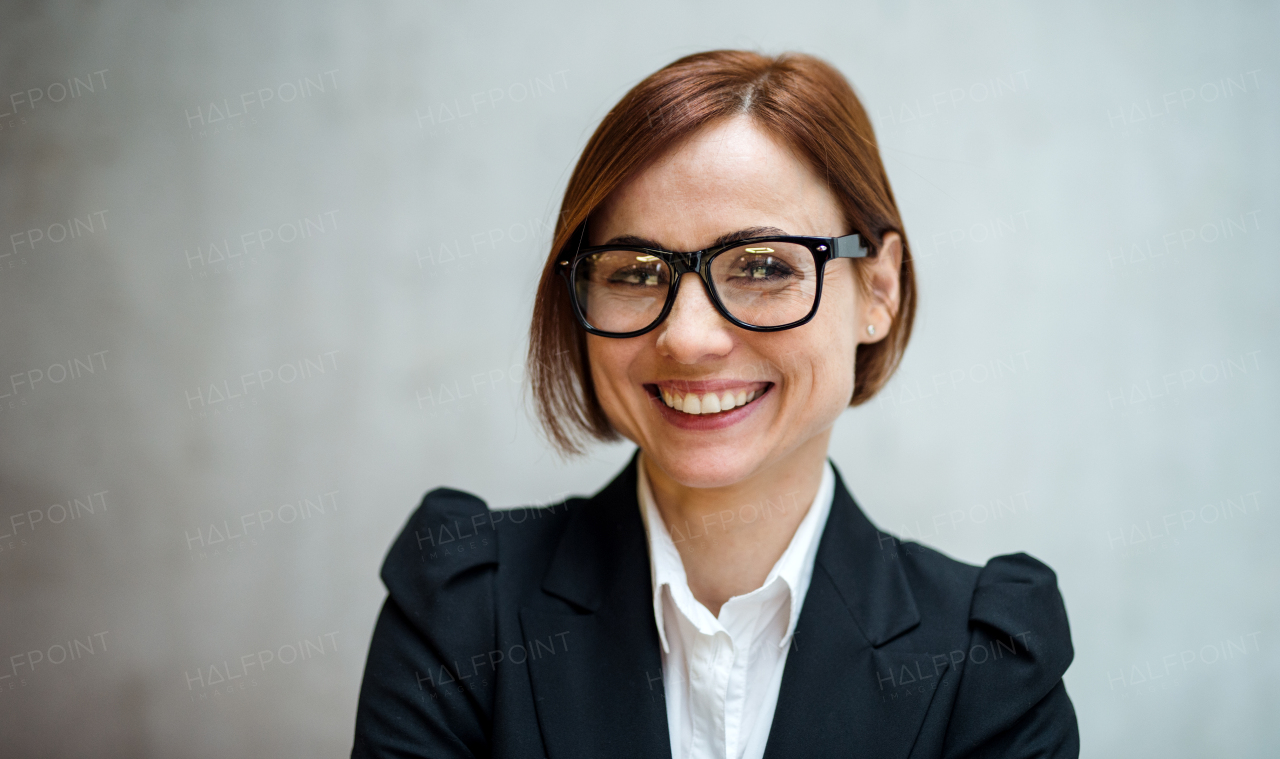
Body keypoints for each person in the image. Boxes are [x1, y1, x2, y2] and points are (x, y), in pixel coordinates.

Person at [352, 50, 1078, 759]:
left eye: (762, 266)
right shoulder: (460, 616)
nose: (688, 337)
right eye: (635, 272)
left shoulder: (988, 667)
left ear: (878, 289)